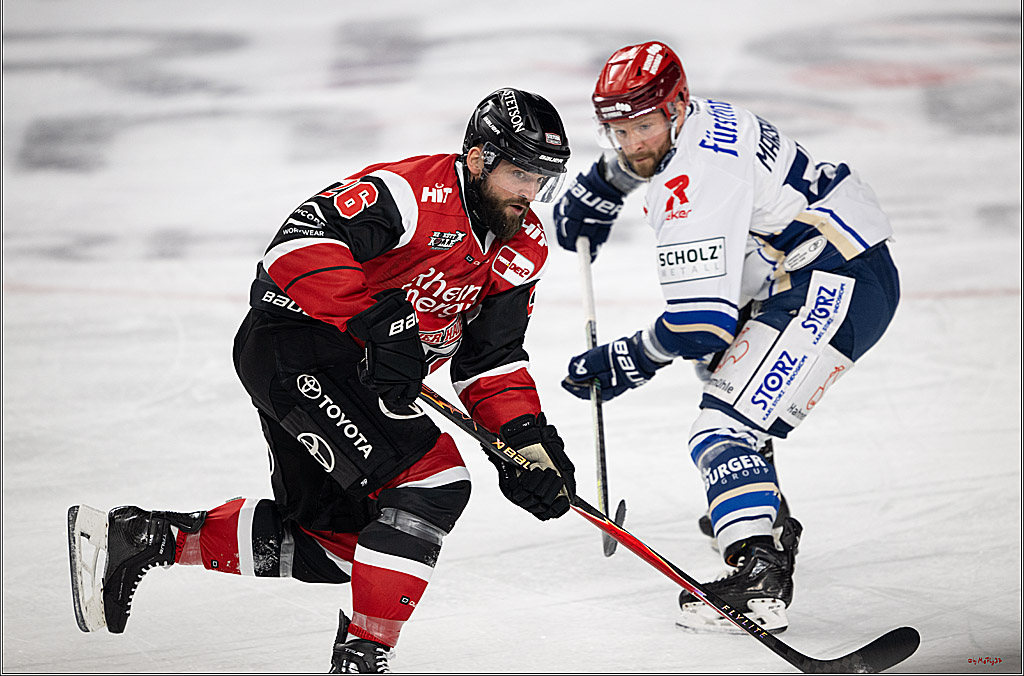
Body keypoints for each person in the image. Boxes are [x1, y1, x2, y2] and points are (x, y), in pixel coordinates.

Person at [68, 88, 577, 673]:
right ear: (478, 157)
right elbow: (297, 243)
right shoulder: (412, 192)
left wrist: (527, 443)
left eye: (543, 178)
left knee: (347, 545)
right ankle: (363, 659)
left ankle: (139, 539)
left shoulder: (524, 244)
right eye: (519, 173)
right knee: (431, 482)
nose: (529, 193)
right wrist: (381, 321)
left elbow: (492, 359)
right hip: (298, 343)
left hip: (348, 372)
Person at [554, 41, 900, 634]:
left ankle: (759, 577)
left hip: (834, 279)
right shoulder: (701, 121)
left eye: (644, 125)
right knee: (722, 368)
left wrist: (627, 359)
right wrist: (604, 184)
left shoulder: (695, 181)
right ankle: (760, 517)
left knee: (722, 426)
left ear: (677, 106)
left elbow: (698, 321)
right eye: (618, 130)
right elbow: (652, 157)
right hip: (819, 259)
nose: (633, 142)